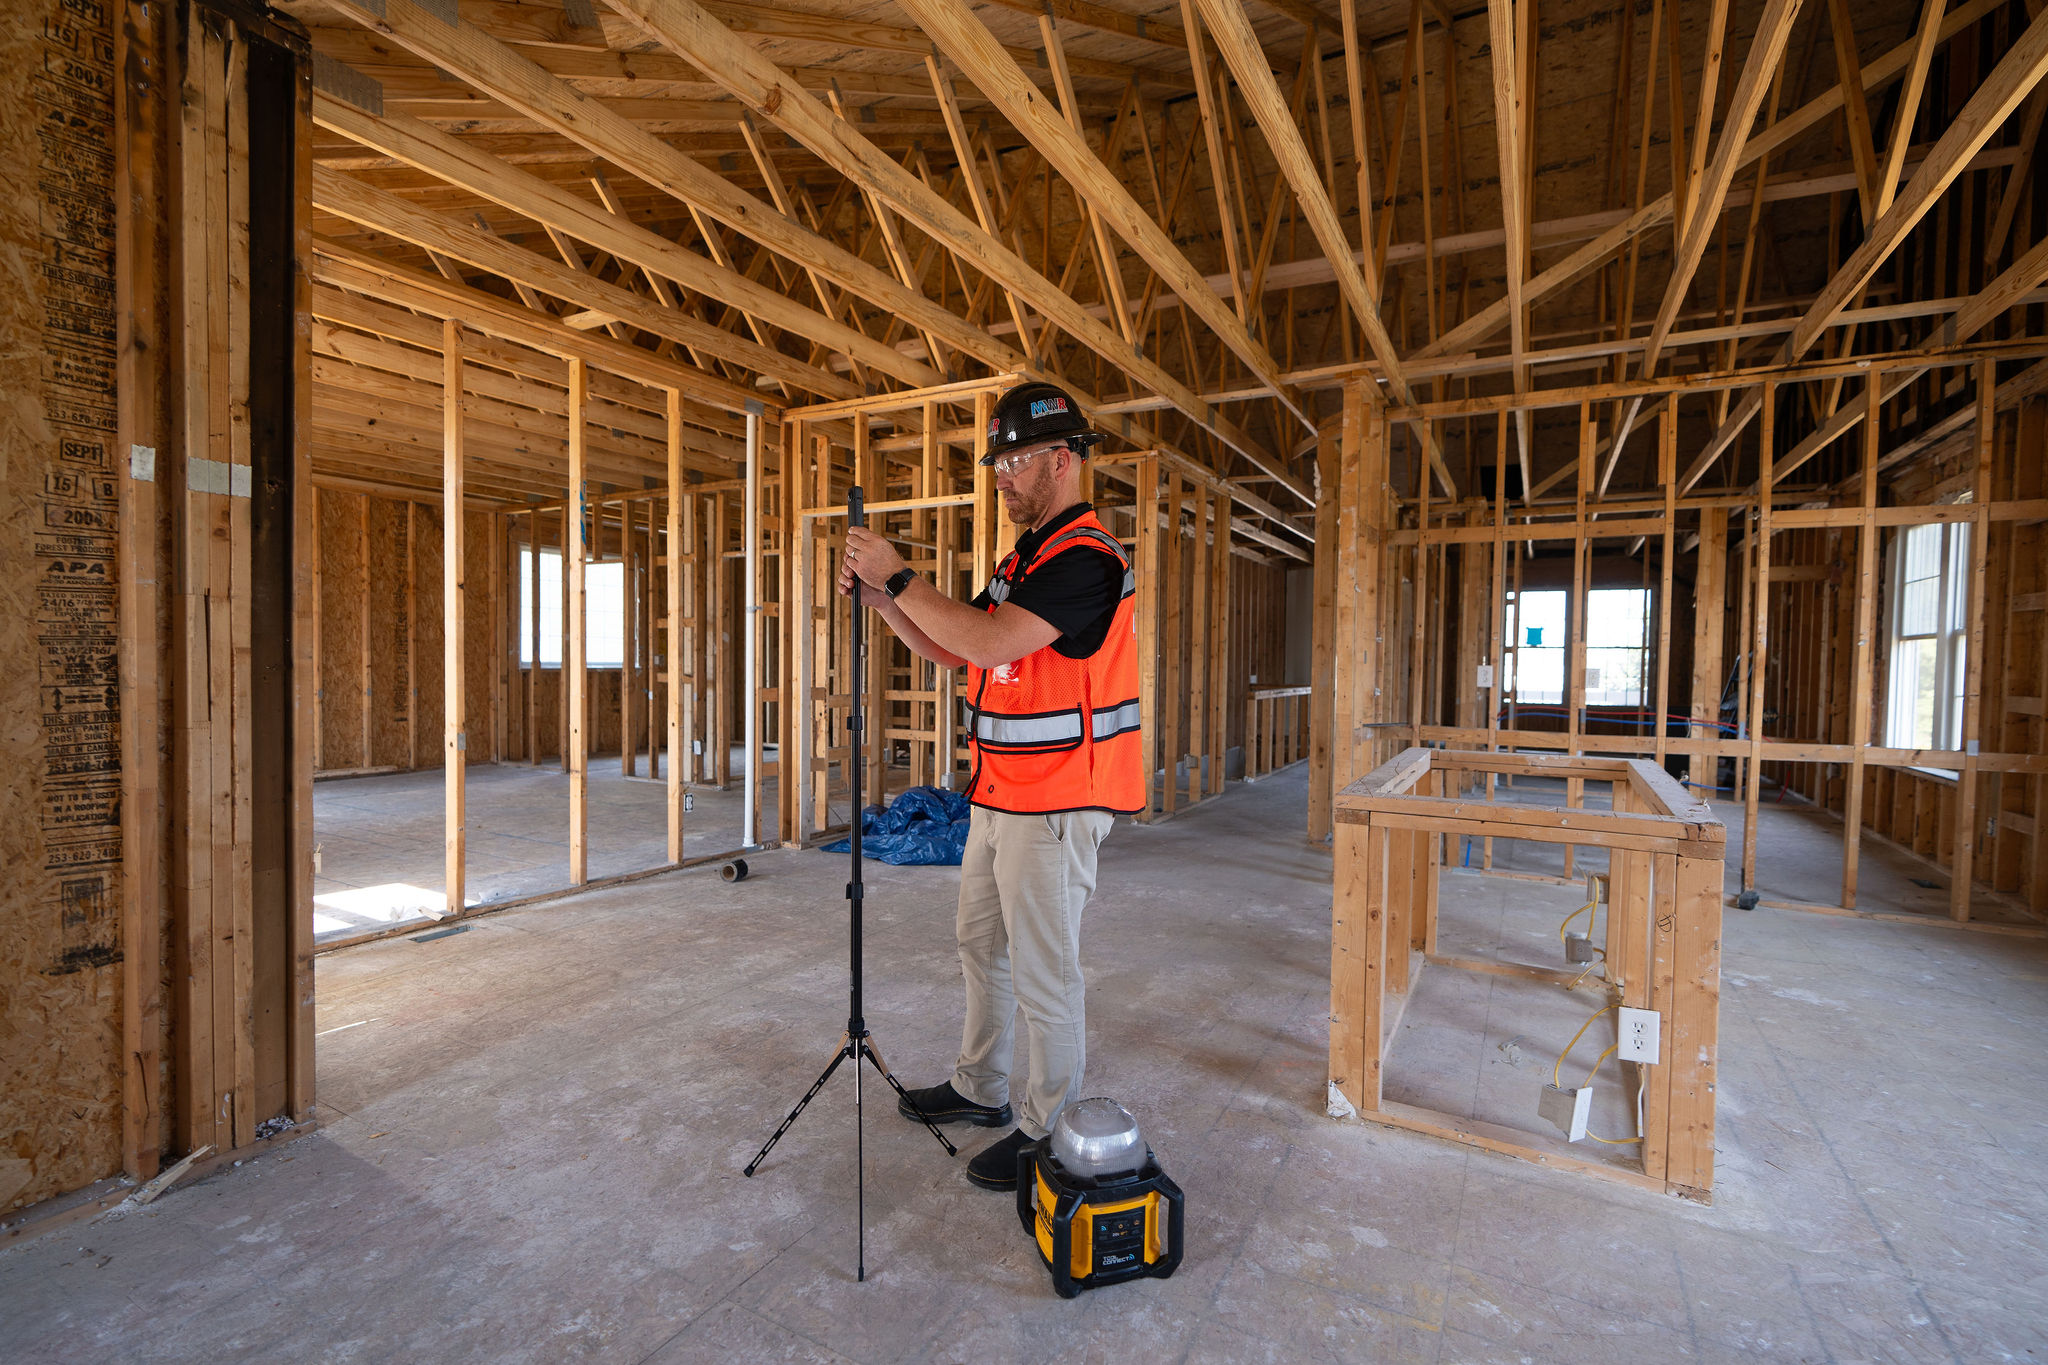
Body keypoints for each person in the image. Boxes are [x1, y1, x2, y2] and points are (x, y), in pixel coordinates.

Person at [837, 381, 1145, 1190]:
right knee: (982, 946)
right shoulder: (1025, 558)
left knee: (1046, 971)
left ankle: (1048, 1129)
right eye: (997, 462)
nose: (1001, 476)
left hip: (1057, 803)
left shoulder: (1087, 559)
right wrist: (883, 600)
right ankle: (982, 1088)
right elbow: (958, 648)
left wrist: (901, 576)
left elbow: (993, 633)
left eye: (1014, 461)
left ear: (1062, 457)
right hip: (1001, 797)